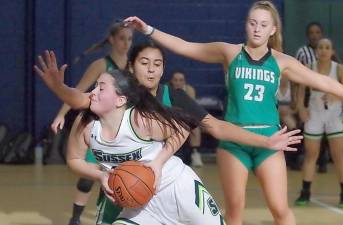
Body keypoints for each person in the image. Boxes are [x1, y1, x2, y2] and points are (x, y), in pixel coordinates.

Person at [123, 1, 343, 223]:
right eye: (252, 23)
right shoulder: (229, 52)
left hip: (269, 142)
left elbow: (322, 81)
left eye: (263, 24)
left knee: (280, 209)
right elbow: (185, 46)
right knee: (235, 211)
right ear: (246, 24)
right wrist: (148, 29)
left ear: (273, 29)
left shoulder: (281, 61)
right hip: (234, 142)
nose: (257, 29)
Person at [35, 47, 302, 225]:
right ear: (130, 67)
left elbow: (216, 128)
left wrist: (266, 141)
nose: (151, 69)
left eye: (157, 64)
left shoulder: (166, 101)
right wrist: (58, 88)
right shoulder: (104, 103)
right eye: (144, 63)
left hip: (173, 184)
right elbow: (79, 100)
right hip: (132, 193)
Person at [35, 51, 227, 224]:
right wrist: (101, 174)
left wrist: (158, 163)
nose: (92, 93)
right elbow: (74, 159)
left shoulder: (139, 119)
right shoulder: (86, 124)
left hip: (175, 186)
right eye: (94, 88)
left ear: (120, 100)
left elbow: (182, 127)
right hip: (139, 203)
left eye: (100, 88)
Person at [52, 21, 133, 225]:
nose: (126, 43)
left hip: (123, 125)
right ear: (112, 40)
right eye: (122, 38)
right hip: (98, 123)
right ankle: (75, 219)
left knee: (124, 174)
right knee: (90, 174)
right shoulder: (101, 65)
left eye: (130, 39)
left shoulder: (134, 65)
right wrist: (61, 114)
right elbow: (78, 92)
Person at [295, 38, 343, 208]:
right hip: (315, 113)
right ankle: (305, 192)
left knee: (338, 156)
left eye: (327, 47)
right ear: (316, 51)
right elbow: (301, 91)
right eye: (320, 47)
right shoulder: (310, 67)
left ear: (332, 51)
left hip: (334, 115)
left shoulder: (339, 69)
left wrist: (335, 96)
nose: (323, 50)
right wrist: (301, 109)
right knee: (311, 155)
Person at [295, 21, 329, 173]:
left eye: (317, 32)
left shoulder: (328, 53)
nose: (315, 35)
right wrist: (297, 102)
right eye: (312, 33)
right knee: (309, 124)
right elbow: (294, 77)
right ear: (308, 36)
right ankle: (304, 156)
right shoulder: (302, 52)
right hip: (308, 95)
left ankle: (322, 158)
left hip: (326, 97)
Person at [169, 69, 203, 167]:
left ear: (184, 81)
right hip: (169, 117)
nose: (178, 82)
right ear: (172, 81)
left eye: (181, 80)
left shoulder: (190, 90)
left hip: (185, 117)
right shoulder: (165, 89)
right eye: (175, 80)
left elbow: (191, 108)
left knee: (195, 126)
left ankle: (195, 153)